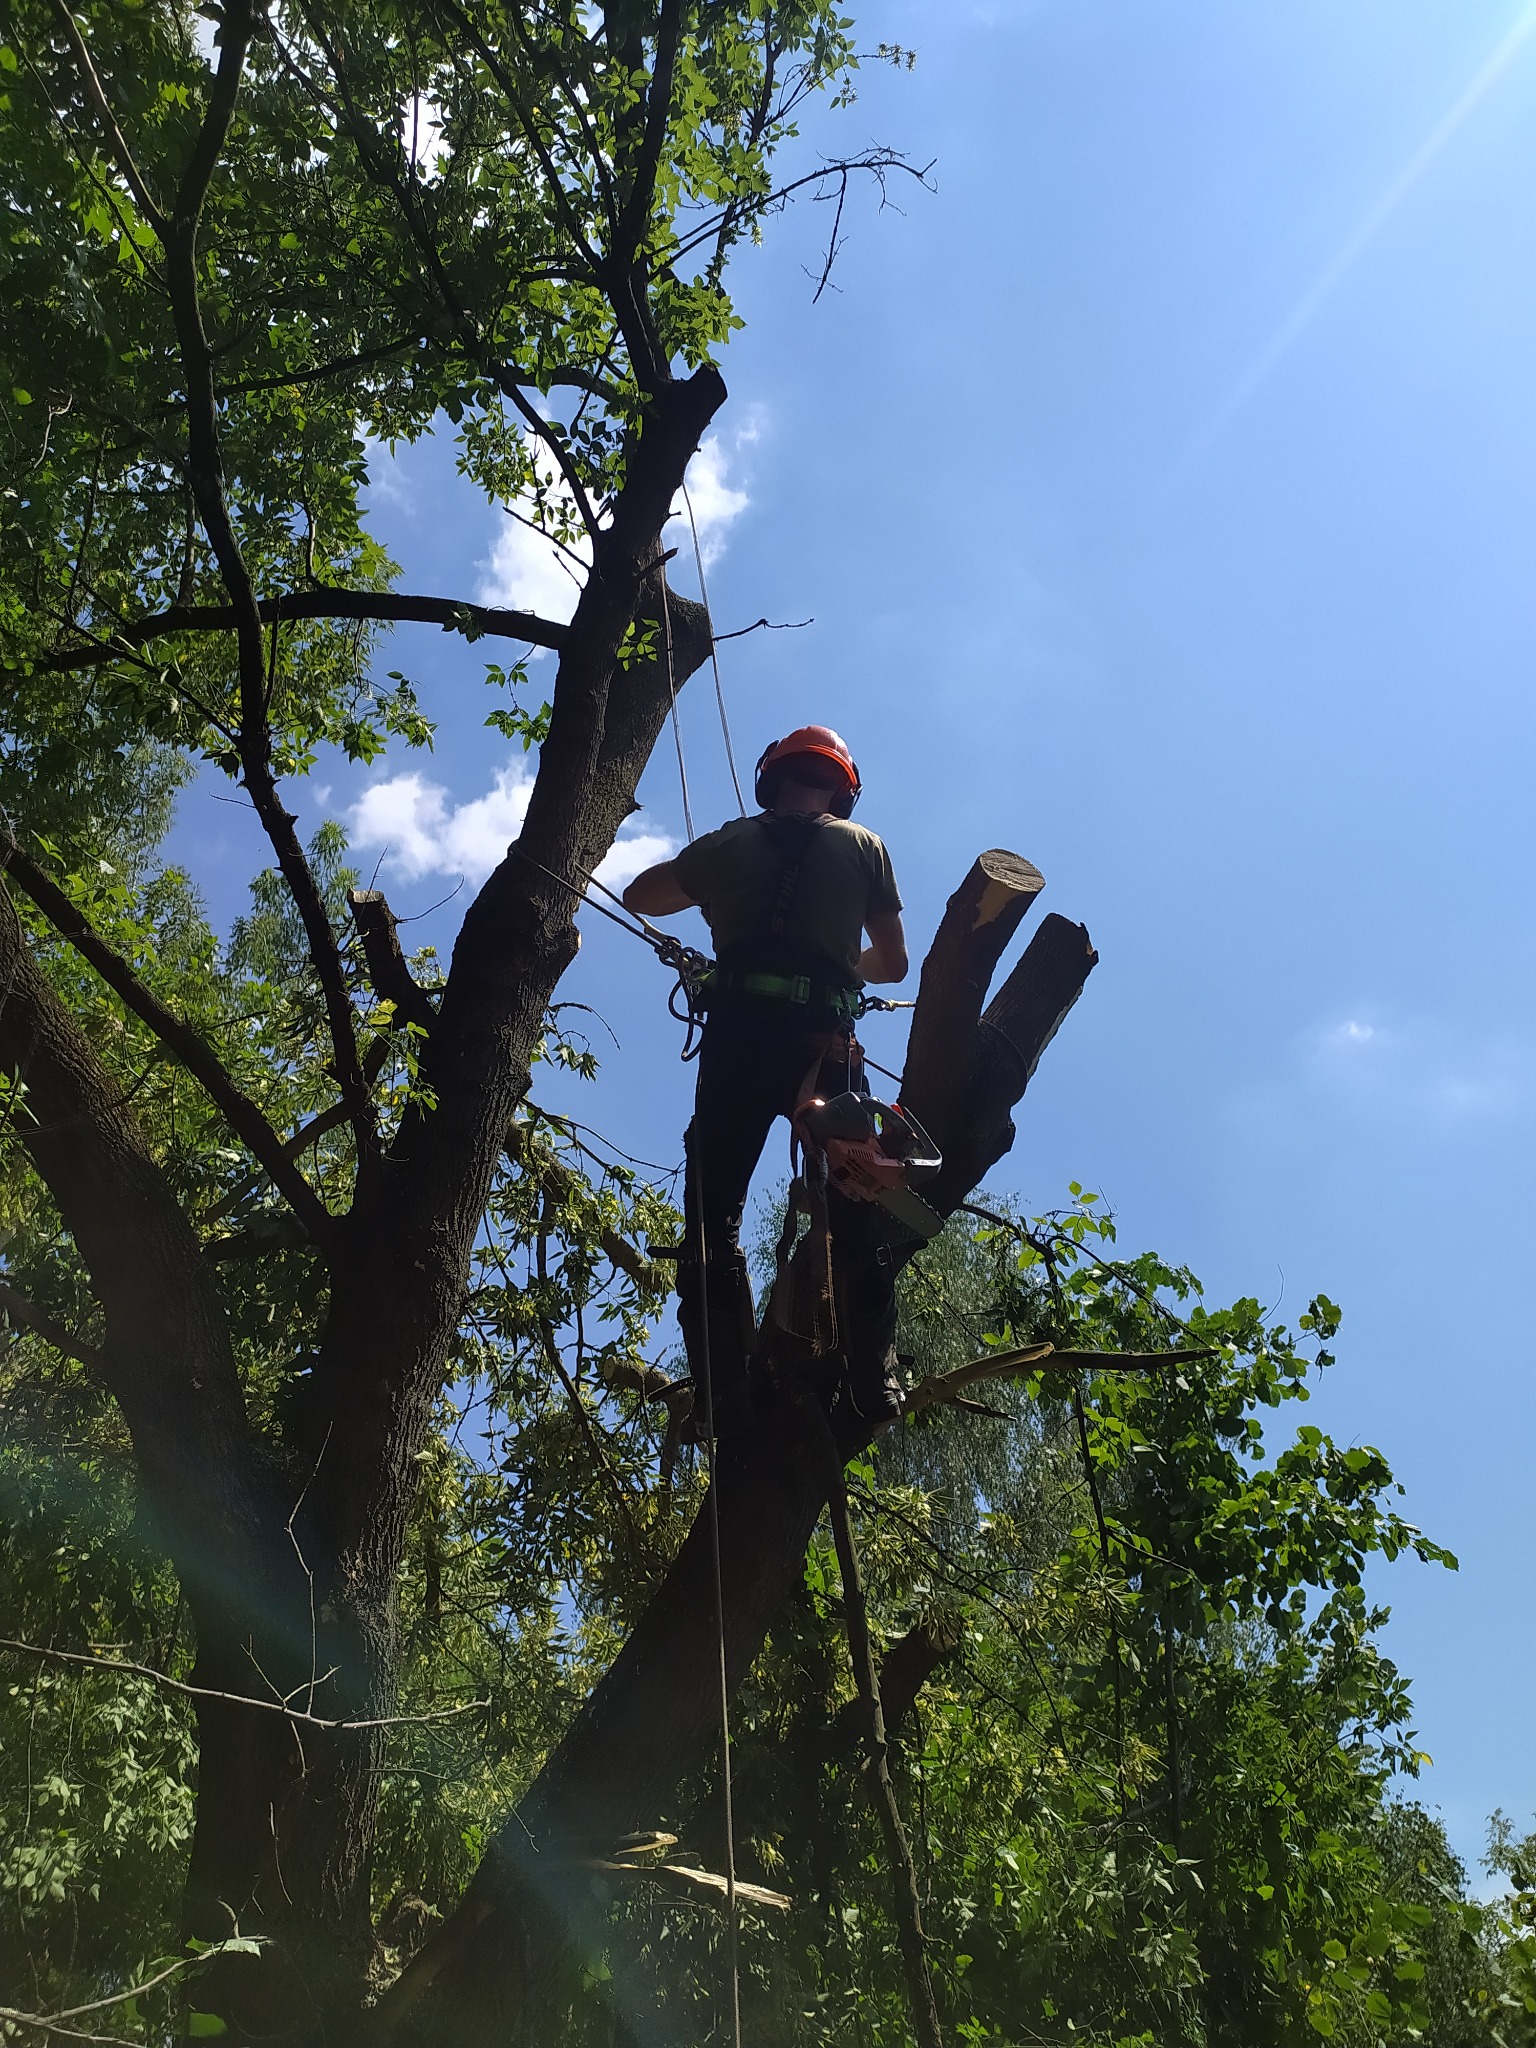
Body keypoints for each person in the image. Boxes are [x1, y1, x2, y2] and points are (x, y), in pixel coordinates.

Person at [623, 725, 909, 1436]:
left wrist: (722, 901)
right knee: (856, 1205)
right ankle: (874, 1376)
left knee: (711, 1216)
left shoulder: (730, 843)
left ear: (770, 778)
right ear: (843, 788)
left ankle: (722, 1390)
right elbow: (895, 962)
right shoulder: (864, 844)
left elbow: (639, 895)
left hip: (740, 1043)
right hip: (825, 1047)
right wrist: (845, 967)